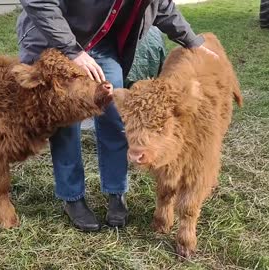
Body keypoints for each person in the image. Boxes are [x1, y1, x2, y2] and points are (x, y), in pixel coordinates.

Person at [16, 0, 218, 232]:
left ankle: (116, 192)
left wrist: (194, 42)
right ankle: (73, 198)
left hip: (100, 44)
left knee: (115, 115)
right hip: (54, 41)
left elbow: (163, 7)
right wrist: (73, 51)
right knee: (67, 120)